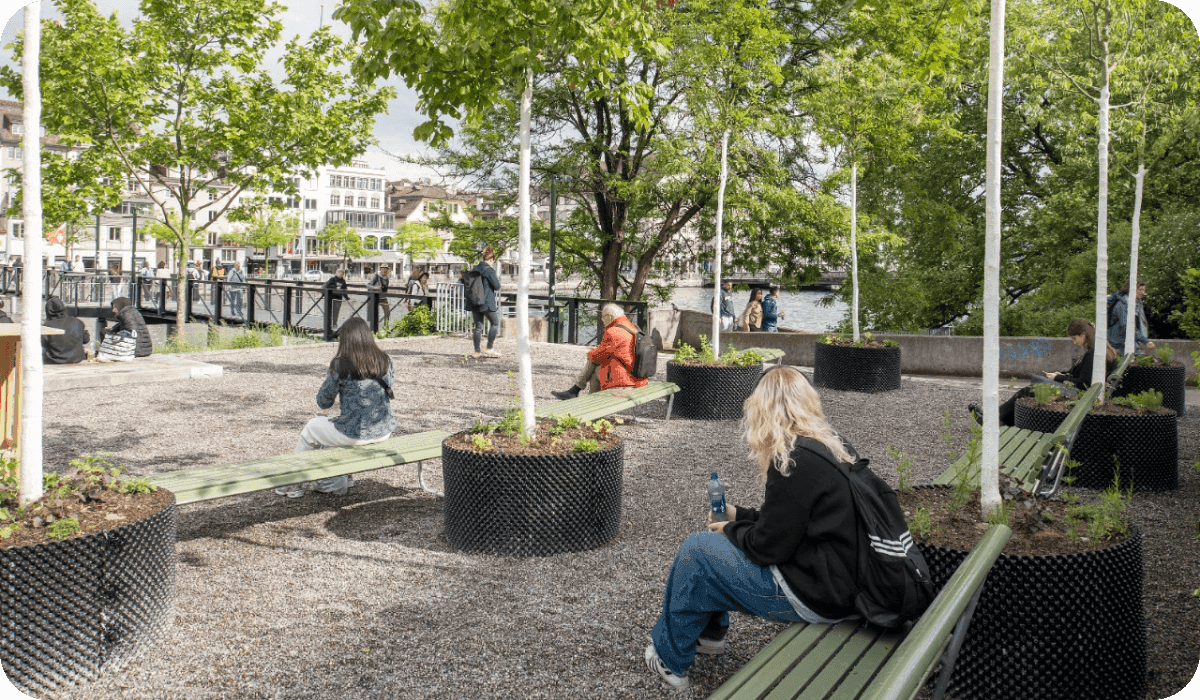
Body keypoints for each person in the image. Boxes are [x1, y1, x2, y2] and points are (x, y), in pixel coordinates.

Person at [644, 366, 866, 693]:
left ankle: (670, 659)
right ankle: (710, 636)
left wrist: (731, 530)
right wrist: (740, 517)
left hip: (819, 595)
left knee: (698, 551)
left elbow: (767, 548)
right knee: (715, 548)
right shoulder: (831, 445)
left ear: (762, 408)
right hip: (840, 581)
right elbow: (790, 521)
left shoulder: (790, 458)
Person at [275, 317, 396, 498]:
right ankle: (341, 477)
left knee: (312, 428)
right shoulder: (386, 360)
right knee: (332, 430)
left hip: (356, 434)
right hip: (384, 430)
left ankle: (293, 482)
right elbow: (388, 385)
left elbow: (323, 402)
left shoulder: (340, 365)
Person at [970, 318, 1119, 427]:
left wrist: (1058, 377)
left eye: (1074, 338)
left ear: (1083, 335)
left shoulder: (1093, 355)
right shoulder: (1099, 352)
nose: (1074, 342)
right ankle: (996, 418)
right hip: (1086, 394)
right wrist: (1058, 375)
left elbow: (1083, 383)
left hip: (1080, 396)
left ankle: (993, 420)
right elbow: (1081, 377)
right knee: (1031, 390)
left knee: (1027, 392)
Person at [551, 303, 649, 399]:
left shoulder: (614, 332)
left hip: (626, 379)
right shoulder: (632, 327)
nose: (602, 320)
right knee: (596, 368)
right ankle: (578, 393)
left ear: (609, 316)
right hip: (638, 377)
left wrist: (590, 353)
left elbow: (598, 356)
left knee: (593, 365)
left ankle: (579, 393)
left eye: (602, 317)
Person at [468, 246, 502, 358]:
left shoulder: (474, 268)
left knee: (478, 327)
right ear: (491, 258)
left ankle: (477, 352)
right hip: (487, 302)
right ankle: (489, 347)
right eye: (494, 261)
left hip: (475, 301)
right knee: (495, 323)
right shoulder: (489, 270)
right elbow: (497, 286)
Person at [1107, 280, 1154, 356]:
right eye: (1140, 290)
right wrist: (1145, 341)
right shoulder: (1122, 305)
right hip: (1119, 344)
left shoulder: (1137, 304)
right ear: (1131, 289)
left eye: (1144, 290)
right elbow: (1126, 326)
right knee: (1125, 366)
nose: (1142, 292)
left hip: (1130, 342)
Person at [42, 296, 91, 365]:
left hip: (54, 361)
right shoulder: (78, 322)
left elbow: (42, 343)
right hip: (76, 360)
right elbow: (86, 340)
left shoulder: (47, 326)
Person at [323, 267, 349, 334]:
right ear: (337, 273)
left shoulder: (343, 281)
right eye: (340, 273)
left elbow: (344, 289)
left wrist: (346, 297)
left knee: (336, 311)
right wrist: (335, 287)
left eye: (342, 273)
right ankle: (328, 324)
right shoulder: (333, 279)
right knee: (329, 311)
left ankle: (334, 324)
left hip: (338, 298)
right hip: (331, 297)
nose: (341, 274)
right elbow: (327, 286)